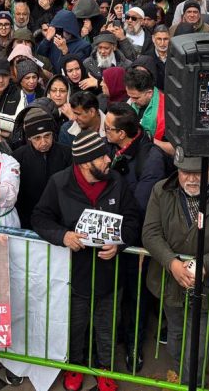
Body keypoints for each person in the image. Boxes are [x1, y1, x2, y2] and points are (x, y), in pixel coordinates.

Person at [32, 131, 141, 391]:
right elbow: (40, 217)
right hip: (73, 274)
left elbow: (133, 218)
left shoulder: (117, 181)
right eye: (102, 156)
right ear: (84, 163)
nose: (108, 159)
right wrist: (63, 235)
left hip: (109, 274)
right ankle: (75, 366)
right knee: (74, 324)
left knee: (106, 325)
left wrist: (119, 243)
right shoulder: (59, 183)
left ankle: (104, 368)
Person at [141, 154, 209, 384]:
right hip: (171, 284)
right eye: (184, 172)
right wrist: (172, 263)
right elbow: (150, 233)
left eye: (198, 173)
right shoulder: (161, 191)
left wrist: (204, 265)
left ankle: (192, 384)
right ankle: (182, 376)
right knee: (176, 336)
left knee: (196, 347)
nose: (190, 179)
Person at [12, 106, 72, 226]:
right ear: (29, 138)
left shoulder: (67, 154)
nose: (43, 142)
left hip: (60, 220)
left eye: (47, 136)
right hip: (28, 220)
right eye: (37, 138)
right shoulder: (17, 157)